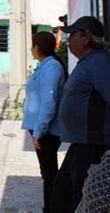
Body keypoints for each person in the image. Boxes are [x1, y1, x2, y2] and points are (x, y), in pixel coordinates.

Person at [52, 16, 110, 212]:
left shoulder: (99, 63)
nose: (69, 40)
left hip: (93, 144)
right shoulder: (88, 62)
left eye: (73, 35)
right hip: (81, 142)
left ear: (86, 38)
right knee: (63, 190)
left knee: (78, 196)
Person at [21, 31, 67, 213]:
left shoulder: (51, 68)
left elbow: (49, 103)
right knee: (47, 174)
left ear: (37, 47)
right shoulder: (45, 66)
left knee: (50, 175)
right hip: (42, 129)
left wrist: (39, 132)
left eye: (32, 45)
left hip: (47, 131)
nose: (31, 49)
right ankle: (50, 206)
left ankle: (53, 208)